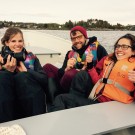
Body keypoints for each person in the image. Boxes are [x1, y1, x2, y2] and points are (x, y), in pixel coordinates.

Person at [50, 33, 135, 112]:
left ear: (133, 51)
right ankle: (75, 108)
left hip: (111, 105)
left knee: (60, 99)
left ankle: (73, 108)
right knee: (81, 75)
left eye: (124, 47)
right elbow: (99, 81)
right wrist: (90, 65)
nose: (119, 49)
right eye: (118, 46)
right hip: (97, 95)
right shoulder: (108, 59)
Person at [43, 26, 108, 103]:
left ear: (85, 37)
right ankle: (53, 98)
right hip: (66, 83)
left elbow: (106, 70)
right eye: (73, 39)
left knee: (71, 73)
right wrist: (66, 68)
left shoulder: (98, 49)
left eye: (79, 37)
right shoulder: (70, 53)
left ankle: (63, 97)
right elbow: (61, 73)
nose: (76, 40)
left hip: (87, 83)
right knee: (47, 67)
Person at [0, 27, 48, 123]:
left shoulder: (31, 57)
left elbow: (44, 79)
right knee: (3, 77)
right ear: (6, 43)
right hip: (7, 107)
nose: (17, 44)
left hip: (28, 106)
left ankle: (38, 122)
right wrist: (7, 71)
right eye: (13, 41)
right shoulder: (1, 59)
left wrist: (27, 71)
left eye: (20, 41)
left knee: (23, 77)